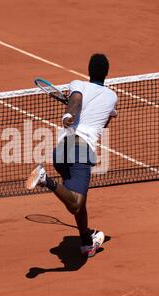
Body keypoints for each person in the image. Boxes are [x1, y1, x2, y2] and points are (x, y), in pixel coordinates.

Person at [26, 53, 118, 257]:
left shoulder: (78, 83)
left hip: (61, 150)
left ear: (89, 70)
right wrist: (69, 113)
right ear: (106, 73)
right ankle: (45, 180)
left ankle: (86, 242)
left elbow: (76, 100)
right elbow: (97, 117)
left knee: (78, 200)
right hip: (81, 150)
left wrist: (71, 114)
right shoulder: (112, 97)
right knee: (76, 204)